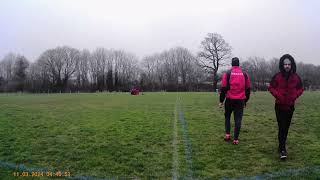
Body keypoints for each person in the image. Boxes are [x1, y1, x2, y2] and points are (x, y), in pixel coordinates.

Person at [268, 54, 304, 159]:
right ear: (282, 65)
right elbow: (270, 87)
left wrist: (295, 96)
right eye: (285, 64)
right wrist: (278, 95)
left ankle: (281, 146)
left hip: (290, 106)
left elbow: (301, 88)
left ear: (292, 65)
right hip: (279, 106)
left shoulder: (296, 77)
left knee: (286, 128)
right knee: (282, 127)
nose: (287, 66)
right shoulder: (277, 76)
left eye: (289, 64)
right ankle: (283, 150)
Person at [219, 57, 251, 145]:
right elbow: (248, 89)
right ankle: (236, 139)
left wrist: (221, 101)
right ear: (239, 64)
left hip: (229, 99)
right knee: (238, 119)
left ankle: (227, 135)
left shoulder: (227, 73)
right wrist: (245, 100)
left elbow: (223, 88)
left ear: (232, 64)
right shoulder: (245, 74)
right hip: (240, 100)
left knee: (227, 117)